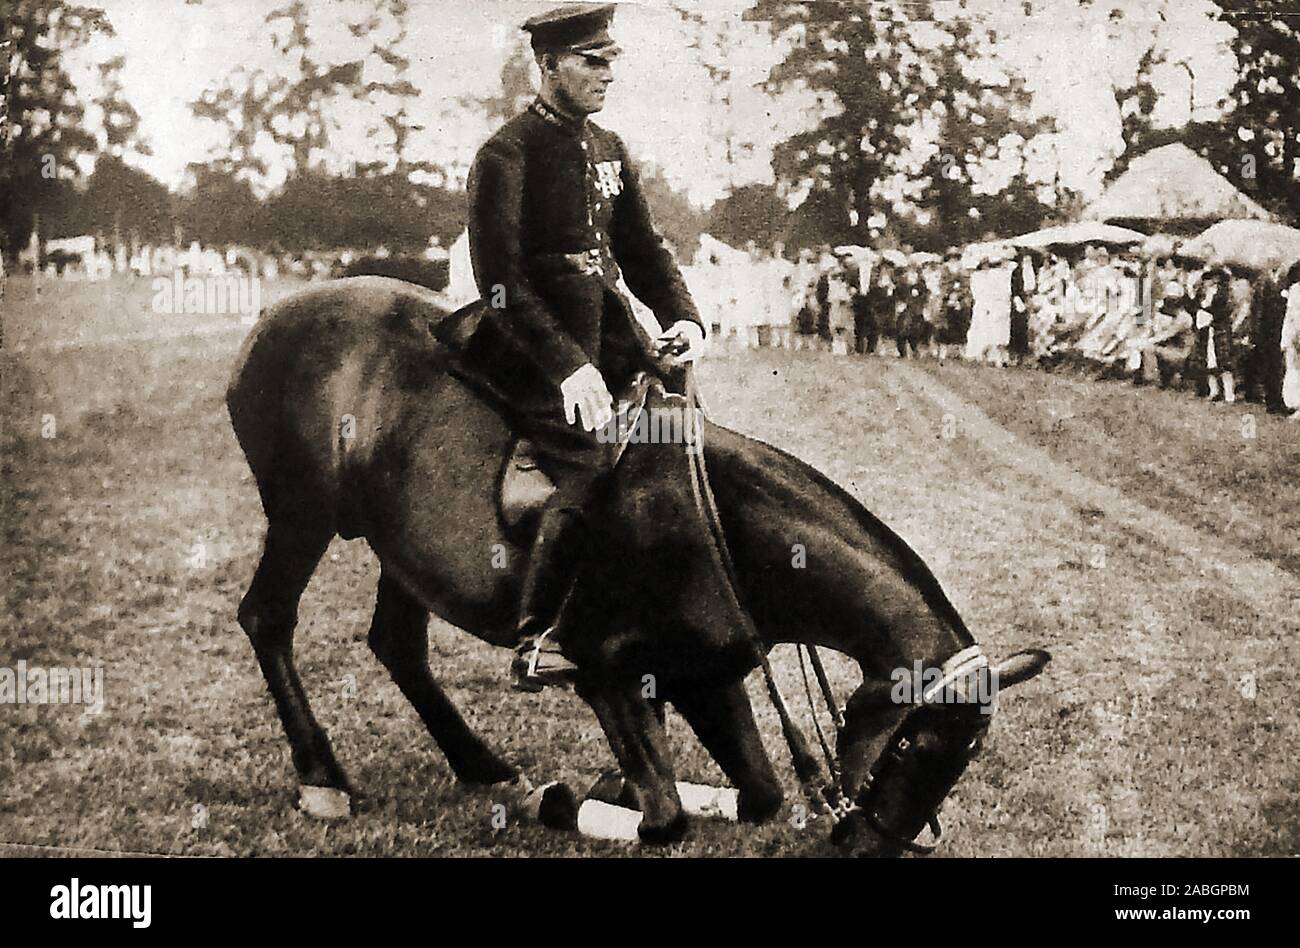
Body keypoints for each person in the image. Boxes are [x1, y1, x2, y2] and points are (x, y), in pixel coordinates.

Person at [465, 4, 706, 690]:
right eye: (590, 63)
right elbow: (501, 284)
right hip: (531, 349)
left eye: (611, 62)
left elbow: (642, 250)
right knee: (592, 461)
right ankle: (539, 635)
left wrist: (684, 316)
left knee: (679, 440)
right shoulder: (505, 153)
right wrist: (567, 366)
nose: (607, 76)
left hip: (614, 338)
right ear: (547, 66)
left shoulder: (610, 148)